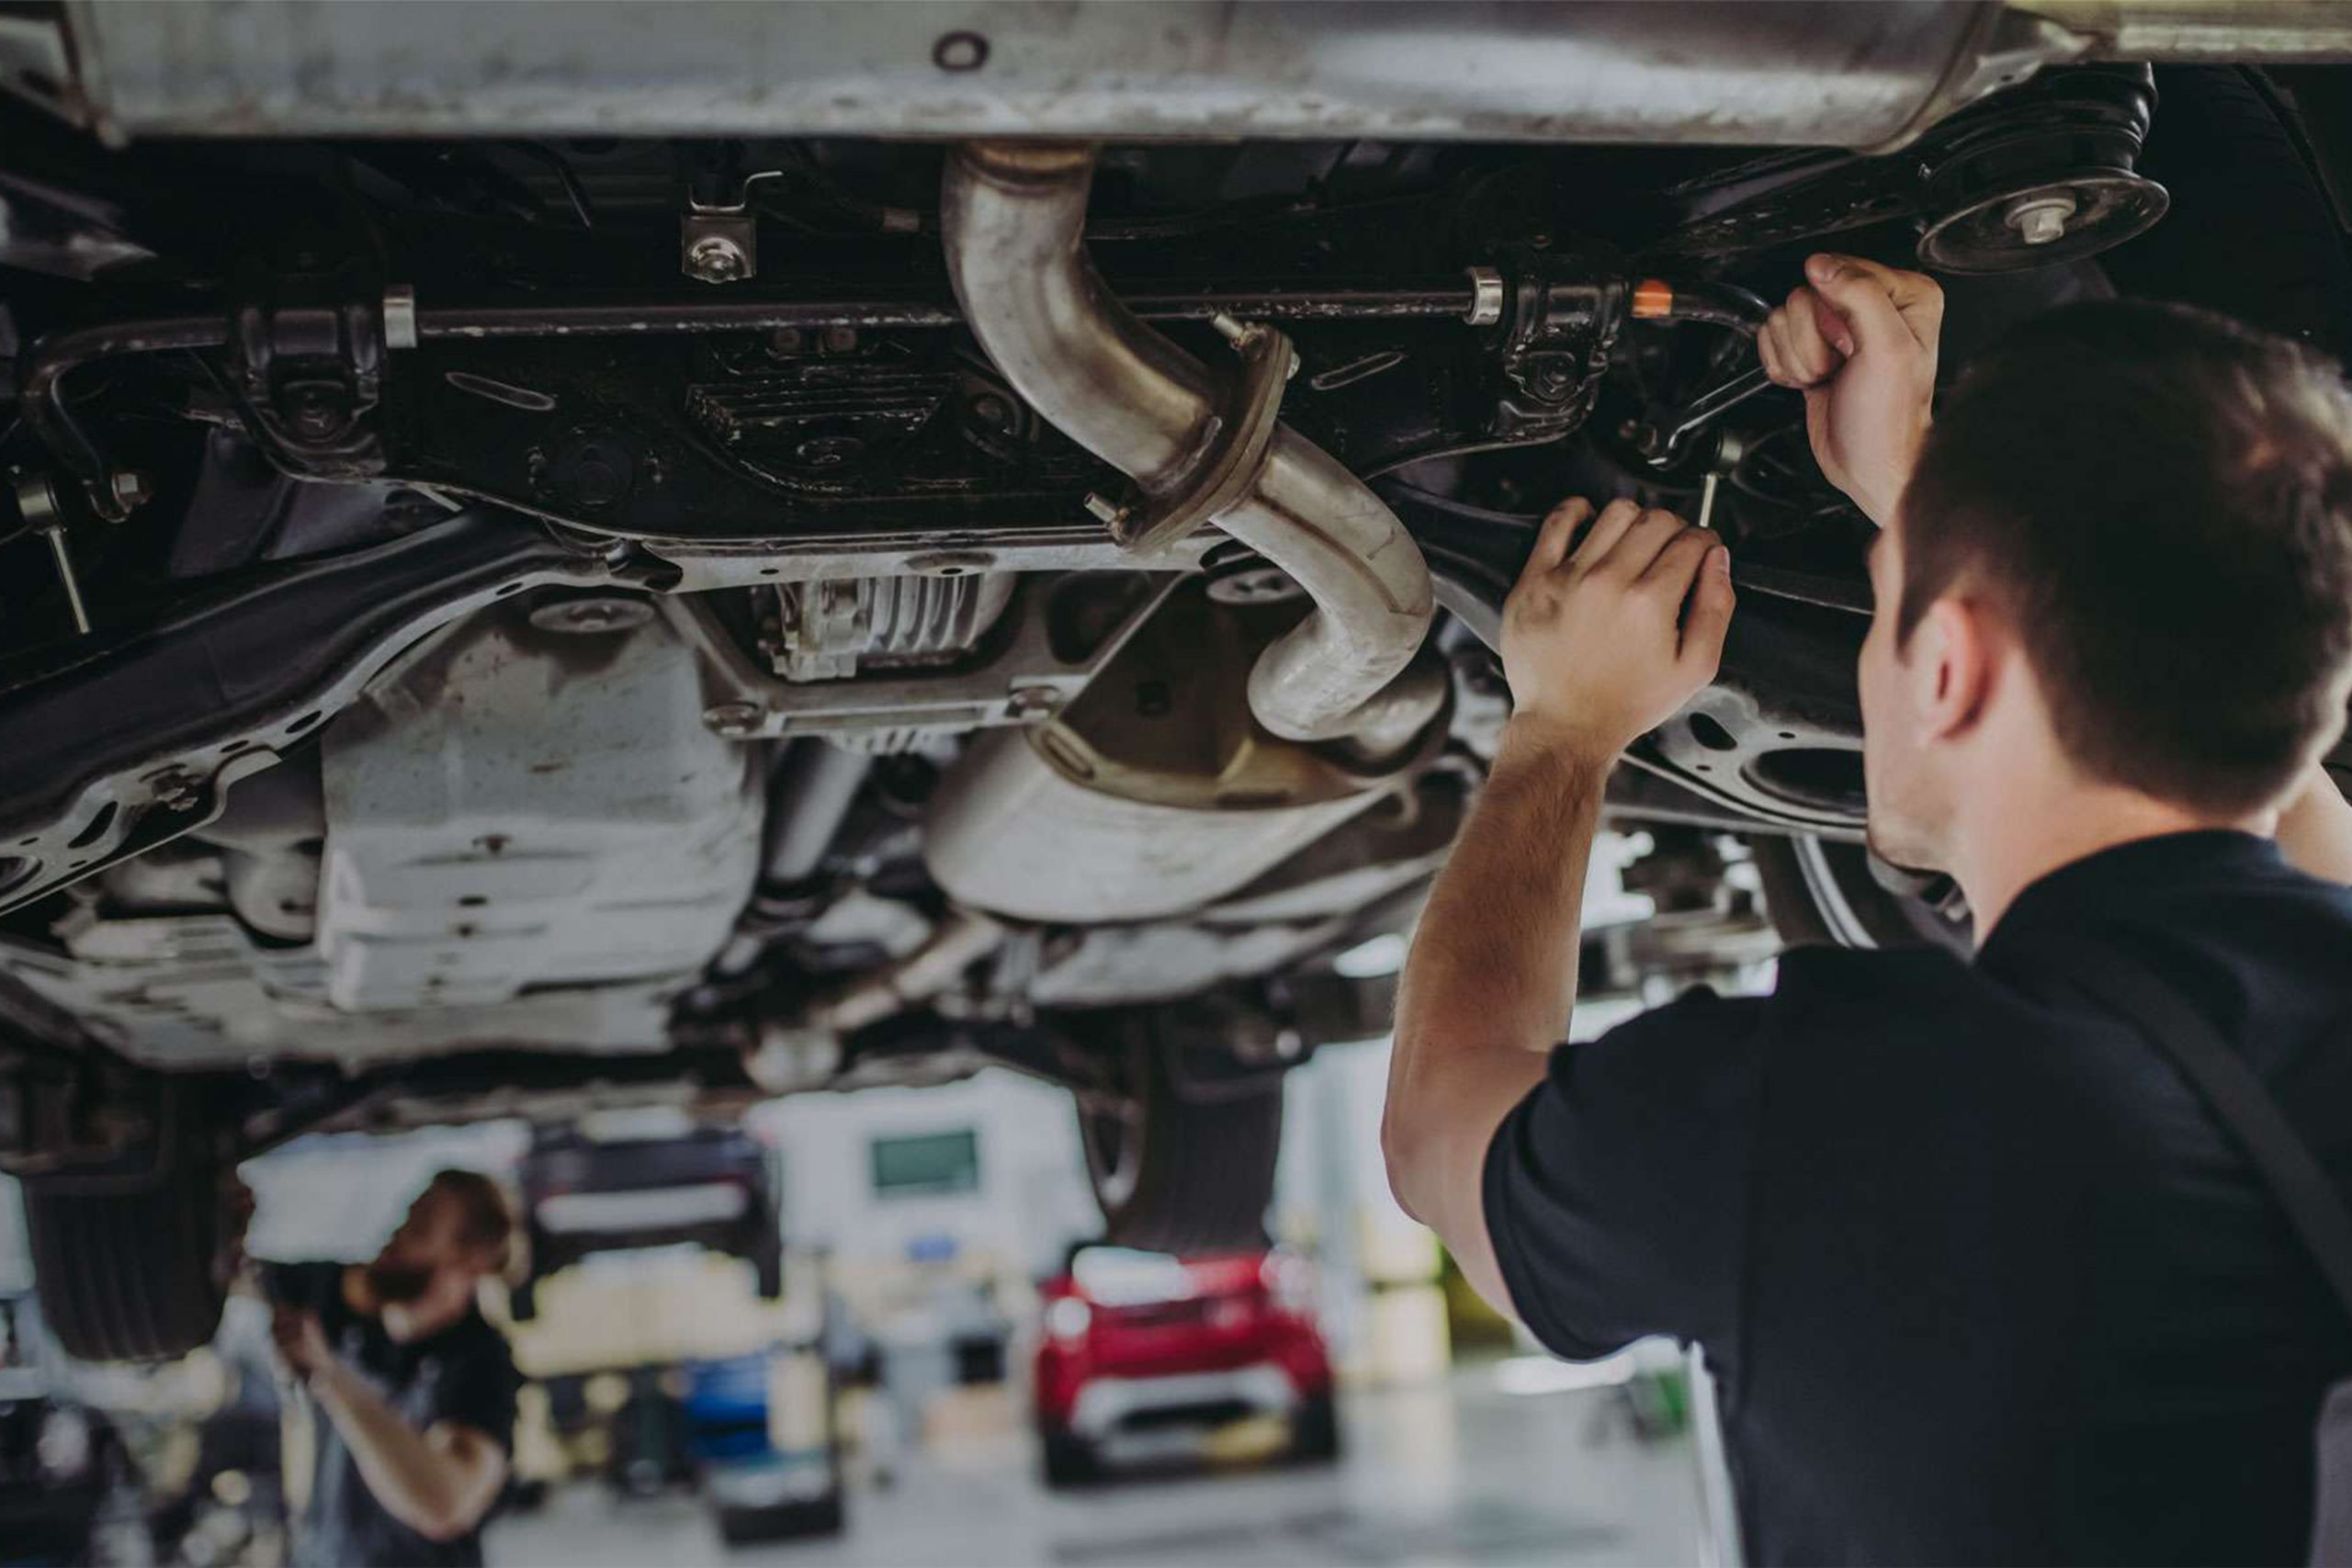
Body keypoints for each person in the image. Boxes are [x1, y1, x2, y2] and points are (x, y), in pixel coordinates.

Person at [1381, 251, 2352, 1563]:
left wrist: (1561, 727)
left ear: (1947, 661)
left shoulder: (1834, 1111)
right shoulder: (1841, 1103)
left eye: (1886, 609)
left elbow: (1444, 1130)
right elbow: (2283, 795)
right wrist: (1931, 503)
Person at [266, 1168, 519, 1568]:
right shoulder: (337, 1297)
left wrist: (331, 1380)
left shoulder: (480, 1362)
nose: (395, 1235)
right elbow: (226, 1275)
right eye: (405, 1218)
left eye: (420, 1229)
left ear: (468, 1259)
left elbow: (445, 1505)